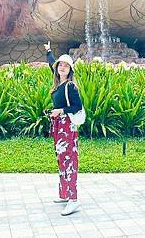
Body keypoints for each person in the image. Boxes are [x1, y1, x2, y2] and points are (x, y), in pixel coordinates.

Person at [44, 41, 83, 216]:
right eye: (61, 65)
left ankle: (73, 199)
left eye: (66, 66)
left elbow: (77, 107)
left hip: (67, 127)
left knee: (69, 161)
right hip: (59, 126)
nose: (62, 67)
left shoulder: (70, 86)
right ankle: (64, 194)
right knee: (61, 160)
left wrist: (61, 110)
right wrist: (49, 52)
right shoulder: (59, 82)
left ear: (70, 70)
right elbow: (52, 65)